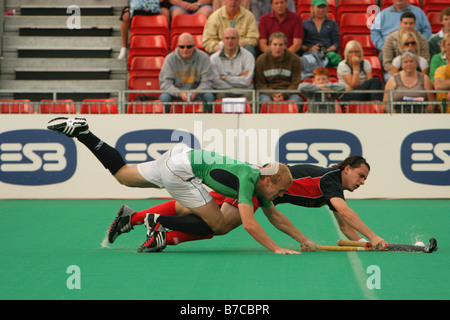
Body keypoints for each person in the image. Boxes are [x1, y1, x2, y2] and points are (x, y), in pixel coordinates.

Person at [47, 117, 312, 254]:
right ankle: (157, 221)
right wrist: (277, 249)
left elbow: (274, 215)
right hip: (181, 171)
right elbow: (251, 224)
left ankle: (84, 133)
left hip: (177, 158)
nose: (282, 195)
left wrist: (303, 240)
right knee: (218, 224)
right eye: (280, 190)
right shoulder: (249, 178)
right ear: (268, 180)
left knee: (123, 175)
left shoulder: (262, 179)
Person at [108, 156, 387, 251]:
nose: (362, 181)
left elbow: (346, 226)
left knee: (192, 210)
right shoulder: (331, 180)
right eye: (361, 175)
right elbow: (346, 213)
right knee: (219, 225)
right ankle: (160, 232)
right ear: (347, 168)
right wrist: (373, 236)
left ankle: (133, 219)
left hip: (259, 188)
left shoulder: (332, 187)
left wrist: (364, 244)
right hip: (255, 185)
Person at [159, 33, 215, 113]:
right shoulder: (170, 59)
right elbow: (165, 84)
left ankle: (209, 122)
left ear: (194, 46)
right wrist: (180, 93)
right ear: (177, 47)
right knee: (164, 98)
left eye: (189, 47)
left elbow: (208, 82)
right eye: (182, 47)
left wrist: (196, 92)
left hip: (198, 94)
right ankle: (165, 123)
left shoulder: (204, 58)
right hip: (176, 95)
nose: (185, 49)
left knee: (209, 97)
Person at [255, 32, 302, 111]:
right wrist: (273, 94)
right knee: (264, 102)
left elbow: (295, 83)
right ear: (269, 45)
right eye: (275, 44)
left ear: (285, 45)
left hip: (289, 92)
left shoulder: (295, 59)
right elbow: (261, 84)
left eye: (281, 45)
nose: (277, 48)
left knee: (296, 101)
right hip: (268, 93)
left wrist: (284, 94)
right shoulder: (261, 60)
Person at [210, 27, 255, 101]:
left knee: (250, 98)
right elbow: (216, 83)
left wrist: (225, 78)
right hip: (223, 92)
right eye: (227, 38)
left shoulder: (248, 56)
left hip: (245, 92)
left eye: (233, 38)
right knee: (219, 98)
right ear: (222, 40)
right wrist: (238, 79)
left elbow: (246, 81)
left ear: (238, 39)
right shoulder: (214, 58)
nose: (230, 41)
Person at [382, 12, 430, 81]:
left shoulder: (422, 39)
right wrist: (402, 74)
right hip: (396, 69)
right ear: (400, 23)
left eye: (411, 23)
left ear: (415, 24)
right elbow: (387, 62)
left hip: (417, 70)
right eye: (405, 23)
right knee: (388, 77)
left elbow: (426, 60)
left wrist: (412, 73)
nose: (408, 26)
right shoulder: (391, 38)